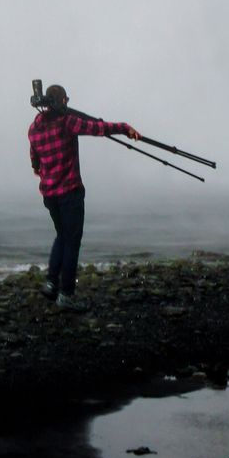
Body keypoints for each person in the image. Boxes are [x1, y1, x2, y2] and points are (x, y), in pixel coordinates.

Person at [28, 84, 139, 308]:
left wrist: (42, 169)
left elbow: (35, 162)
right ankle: (66, 295)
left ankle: (51, 284)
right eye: (66, 100)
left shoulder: (34, 127)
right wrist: (125, 128)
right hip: (70, 193)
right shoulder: (67, 122)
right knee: (72, 242)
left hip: (49, 195)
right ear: (62, 101)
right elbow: (98, 128)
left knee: (62, 236)